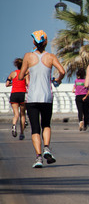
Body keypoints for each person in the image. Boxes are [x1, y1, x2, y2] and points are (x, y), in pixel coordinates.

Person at [18, 30, 65, 168]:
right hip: (47, 97)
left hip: (32, 98)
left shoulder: (28, 56)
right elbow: (62, 71)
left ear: (34, 42)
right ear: (46, 42)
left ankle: (38, 158)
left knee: (35, 129)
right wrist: (57, 80)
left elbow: (20, 77)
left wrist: (27, 71)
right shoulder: (50, 57)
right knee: (46, 125)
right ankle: (46, 148)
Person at [6, 58, 28, 140]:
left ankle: (14, 125)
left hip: (14, 94)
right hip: (22, 94)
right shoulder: (25, 73)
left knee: (16, 114)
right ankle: (22, 133)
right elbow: (28, 83)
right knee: (23, 115)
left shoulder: (12, 73)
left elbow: (7, 84)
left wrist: (13, 83)